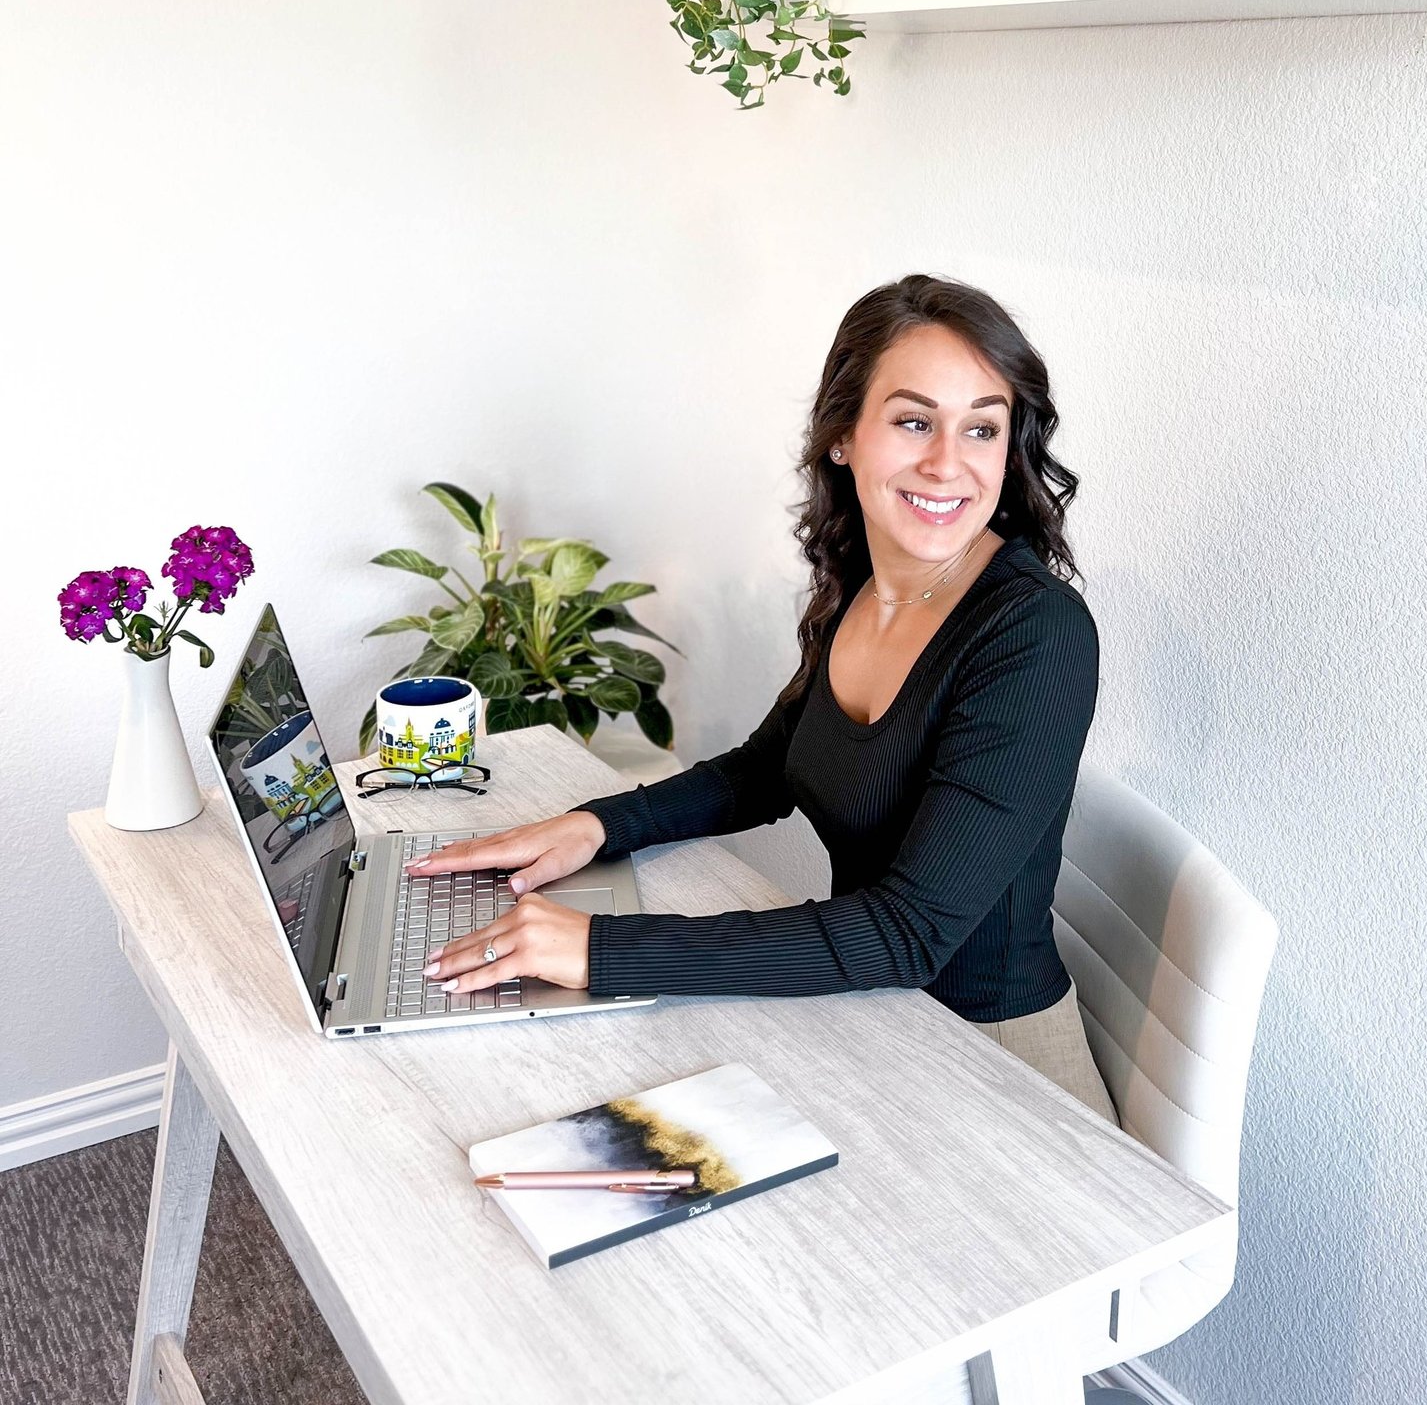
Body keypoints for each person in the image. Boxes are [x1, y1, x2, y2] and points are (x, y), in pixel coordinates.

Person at [406, 273, 1118, 1125]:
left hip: (995, 1072)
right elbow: (771, 765)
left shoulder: (1033, 634)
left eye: (982, 429)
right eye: (914, 420)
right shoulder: (871, 579)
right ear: (844, 436)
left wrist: (602, 947)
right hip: (882, 1025)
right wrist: (596, 826)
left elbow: (905, 934)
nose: (947, 462)